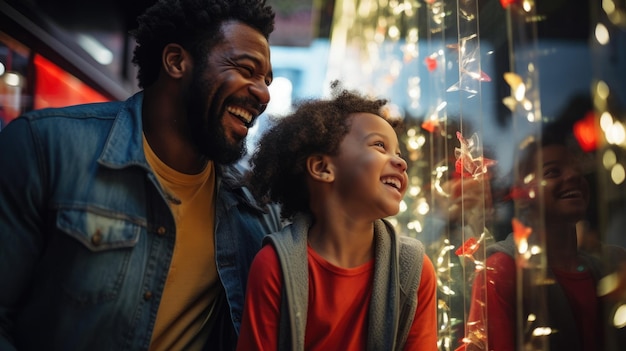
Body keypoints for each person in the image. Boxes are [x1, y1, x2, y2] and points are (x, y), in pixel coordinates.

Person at [0, 0, 282, 350]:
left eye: (266, 79)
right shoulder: (44, 148)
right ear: (176, 61)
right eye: (246, 69)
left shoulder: (254, 210)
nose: (263, 93)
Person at [235, 83, 438, 351]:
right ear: (322, 168)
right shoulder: (274, 265)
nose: (401, 163)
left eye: (399, 154)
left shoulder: (413, 269)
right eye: (379, 145)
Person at [464, 133, 626, 351]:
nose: (573, 176)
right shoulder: (501, 270)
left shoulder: (609, 265)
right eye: (552, 172)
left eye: (577, 168)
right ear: (522, 195)